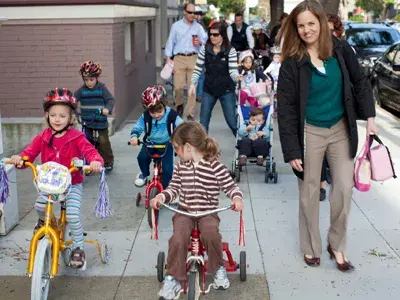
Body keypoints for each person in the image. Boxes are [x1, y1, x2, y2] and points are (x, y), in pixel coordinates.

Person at [277, 0, 378, 271]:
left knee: (344, 189)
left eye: (311, 23)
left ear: (322, 22)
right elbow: (285, 109)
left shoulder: (342, 50)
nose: (307, 30)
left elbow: (360, 83)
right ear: (295, 29)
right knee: (310, 191)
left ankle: (337, 244)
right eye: (301, 26)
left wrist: (370, 119)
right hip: (309, 131)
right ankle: (310, 247)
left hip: (340, 128)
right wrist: (291, 150)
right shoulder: (292, 64)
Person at [149, 121, 244, 299]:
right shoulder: (180, 166)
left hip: (207, 212)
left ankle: (218, 269)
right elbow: (174, 188)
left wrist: (236, 198)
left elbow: (231, 186)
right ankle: (173, 278)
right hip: (185, 211)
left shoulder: (214, 166)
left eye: (177, 148)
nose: (176, 152)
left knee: (211, 234)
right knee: (178, 237)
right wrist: (162, 197)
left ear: (188, 147)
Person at [10, 88, 104, 269]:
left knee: (73, 215)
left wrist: (95, 161)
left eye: (62, 115)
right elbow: (29, 153)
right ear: (47, 116)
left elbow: (90, 151)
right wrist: (20, 159)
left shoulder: (77, 137)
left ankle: (78, 248)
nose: (57, 119)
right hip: (49, 185)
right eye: (53, 115)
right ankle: (44, 222)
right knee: (39, 206)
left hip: (72, 184)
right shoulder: (43, 137)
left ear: (71, 118)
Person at [189, 22, 240, 136]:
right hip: (209, 90)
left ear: (223, 35)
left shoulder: (230, 50)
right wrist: (193, 84)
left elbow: (233, 70)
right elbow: (197, 68)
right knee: (203, 123)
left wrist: (237, 78)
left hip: (226, 90)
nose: (212, 37)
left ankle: (243, 144)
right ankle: (204, 149)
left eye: (215, 35)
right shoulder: (205, 49)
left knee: (232, 122)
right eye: (210, 34)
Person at [129, 85, 183, 188]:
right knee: (142, 157)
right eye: (152, 112)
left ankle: (167, 189)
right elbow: (139, 126)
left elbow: (182, 126)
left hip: (167, 144)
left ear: (165, 104)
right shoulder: (146, 116)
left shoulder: (171, 115)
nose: (156, 115)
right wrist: (134, 136)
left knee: (168, 169)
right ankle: (144, 174)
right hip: (150, 143)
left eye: (159, 111)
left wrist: (184, 137)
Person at [164, 3, 207, 120]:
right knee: (177, 87)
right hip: (179, 58)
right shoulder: (176, 26)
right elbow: (170, 42)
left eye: (194, 13)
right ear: (184, 12)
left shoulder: (198, 27)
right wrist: (168, 60)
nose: (192, 15)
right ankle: (179, 104)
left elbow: (206, 41)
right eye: (190, 12)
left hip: (193, 57)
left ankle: (190, 113)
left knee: (192, 87)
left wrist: (200, 42)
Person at [74, 61, 115, 173]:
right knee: (87, 142)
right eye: (86, 80)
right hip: (87, 121)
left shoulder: (102, 88)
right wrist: (74, 113)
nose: (89, 82)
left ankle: (108, 161)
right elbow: (72, 100)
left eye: (91, 80)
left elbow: (110, 100)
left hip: (100, 121)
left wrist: (107, 109)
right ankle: (89, 163)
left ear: (97, 78)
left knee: (103, 142)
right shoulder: (82, 90)